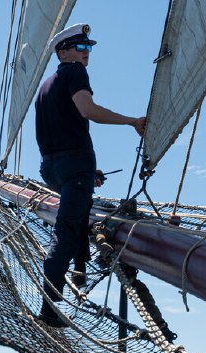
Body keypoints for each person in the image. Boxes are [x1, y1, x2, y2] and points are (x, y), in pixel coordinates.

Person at [35, 23, 145, 328]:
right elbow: (87, 110)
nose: (87, 54)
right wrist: (131, 121)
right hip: (74, 165)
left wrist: (85, 171)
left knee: (79, 213)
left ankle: (80, 271)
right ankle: (49, 308)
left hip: (53, 167)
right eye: (81, 48)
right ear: (64, 52)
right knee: (68, 230)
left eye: (89, 49)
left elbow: (57, 131)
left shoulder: (45, 87)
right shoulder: (74, 72)